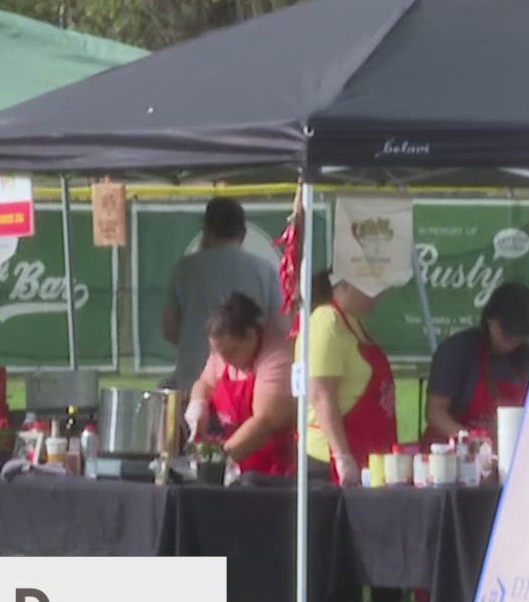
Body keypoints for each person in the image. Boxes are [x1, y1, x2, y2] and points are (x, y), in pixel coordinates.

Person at [163, 199, 281, 391]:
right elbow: (278, 327)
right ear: (242, 233)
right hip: (249, 382)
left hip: (194, 378)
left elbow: (170, 329)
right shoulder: (265, 270)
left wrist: (200, 342)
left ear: (206, 231)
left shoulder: (185, 269)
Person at [298, 269, 397, 486]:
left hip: (368, 450)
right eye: (369, 288)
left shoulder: (354, 323)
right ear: (344, 285)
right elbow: (321, 396)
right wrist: (342, 456)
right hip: (330, 460)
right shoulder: (325, 321)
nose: (377, 295)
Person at [185, 293, 298, 476]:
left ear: (250, 336)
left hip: (273, 472)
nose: (225, 360)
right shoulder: (224, 354)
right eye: (218, 353)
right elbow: (205, 383)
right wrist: (198, 404)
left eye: (231, 352)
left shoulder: (277, 355)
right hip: (237, 465)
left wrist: (216, 459)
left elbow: (266, 421)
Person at [423, 282, 529, 443]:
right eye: (507, 332)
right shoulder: (457, 351)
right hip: (451, 454)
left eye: (519, 334)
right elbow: (435, 412)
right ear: (490, 320)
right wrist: (471, 440)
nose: (512, 340)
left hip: (504, 451)